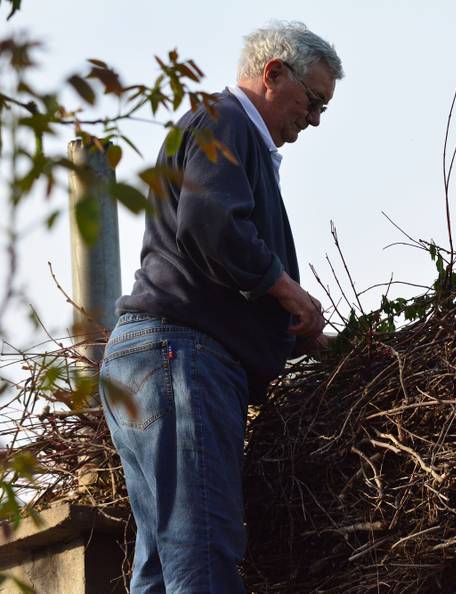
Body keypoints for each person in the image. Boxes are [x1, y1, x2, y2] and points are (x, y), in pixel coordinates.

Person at [98, 21, 343, 593]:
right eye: (313, 103)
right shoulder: (226, 119)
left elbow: (218, 259)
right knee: (202, 555)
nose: (312, 120)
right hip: (181, 360)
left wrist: (300, 335)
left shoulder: (225, 131)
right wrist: (289, 291)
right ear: (273, 73)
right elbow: (212, 225)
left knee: (162, 567)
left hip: (148, 363)